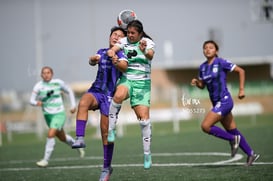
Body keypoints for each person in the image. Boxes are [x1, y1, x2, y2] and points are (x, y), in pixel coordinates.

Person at [71, 26, 128, 181]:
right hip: (96, 90)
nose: (116, 37)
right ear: (109, 36)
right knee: (83, 102)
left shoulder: (122, 54)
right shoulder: (102, 51)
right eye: (114, 34)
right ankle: (80, 137)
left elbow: (124, 66)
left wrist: (116, 60)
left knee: (105, 133)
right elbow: (92, 61)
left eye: (119, 36)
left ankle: (106, 167)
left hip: (110, 96)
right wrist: (92, 59)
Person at [191, 40, 260, 166]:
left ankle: (233, 140)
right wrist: (197, 82)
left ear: (216, 50)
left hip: (225, 100)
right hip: (216, 103)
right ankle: (251, 154)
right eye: (205, 48)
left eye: (211, 47)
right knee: (232, 130)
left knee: (205, 126)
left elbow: (241, 71)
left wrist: (241, 90)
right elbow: (203, 85)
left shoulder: (221, 62)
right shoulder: (203, 67)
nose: (207, 49)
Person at [107, 20, 155, 169]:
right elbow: (112, 49)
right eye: (128, 32)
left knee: (144, 121)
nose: (130, 35)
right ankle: (111, 130)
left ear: (140, 34)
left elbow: (150, 56)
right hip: (127, 79)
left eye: (133, 33)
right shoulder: (123, 41)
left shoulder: (147, 42)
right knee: (118, 96)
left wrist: (144, 50)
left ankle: (147, 154)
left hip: (143, 84)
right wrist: (112, 54)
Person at [30, 66, 85, 167]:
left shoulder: (58, 83)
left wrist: (73, 105)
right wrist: (37, 103)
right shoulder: (38, 86)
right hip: (47, 115)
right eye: (44, 73)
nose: (46, 75)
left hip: (59, 114)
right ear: (41, 75)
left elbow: (69, 91)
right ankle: (78, 146)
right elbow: (31, 101)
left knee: (51, 134)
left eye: (48, 73)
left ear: (52, 74)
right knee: (62, 137)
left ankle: (45, 160)